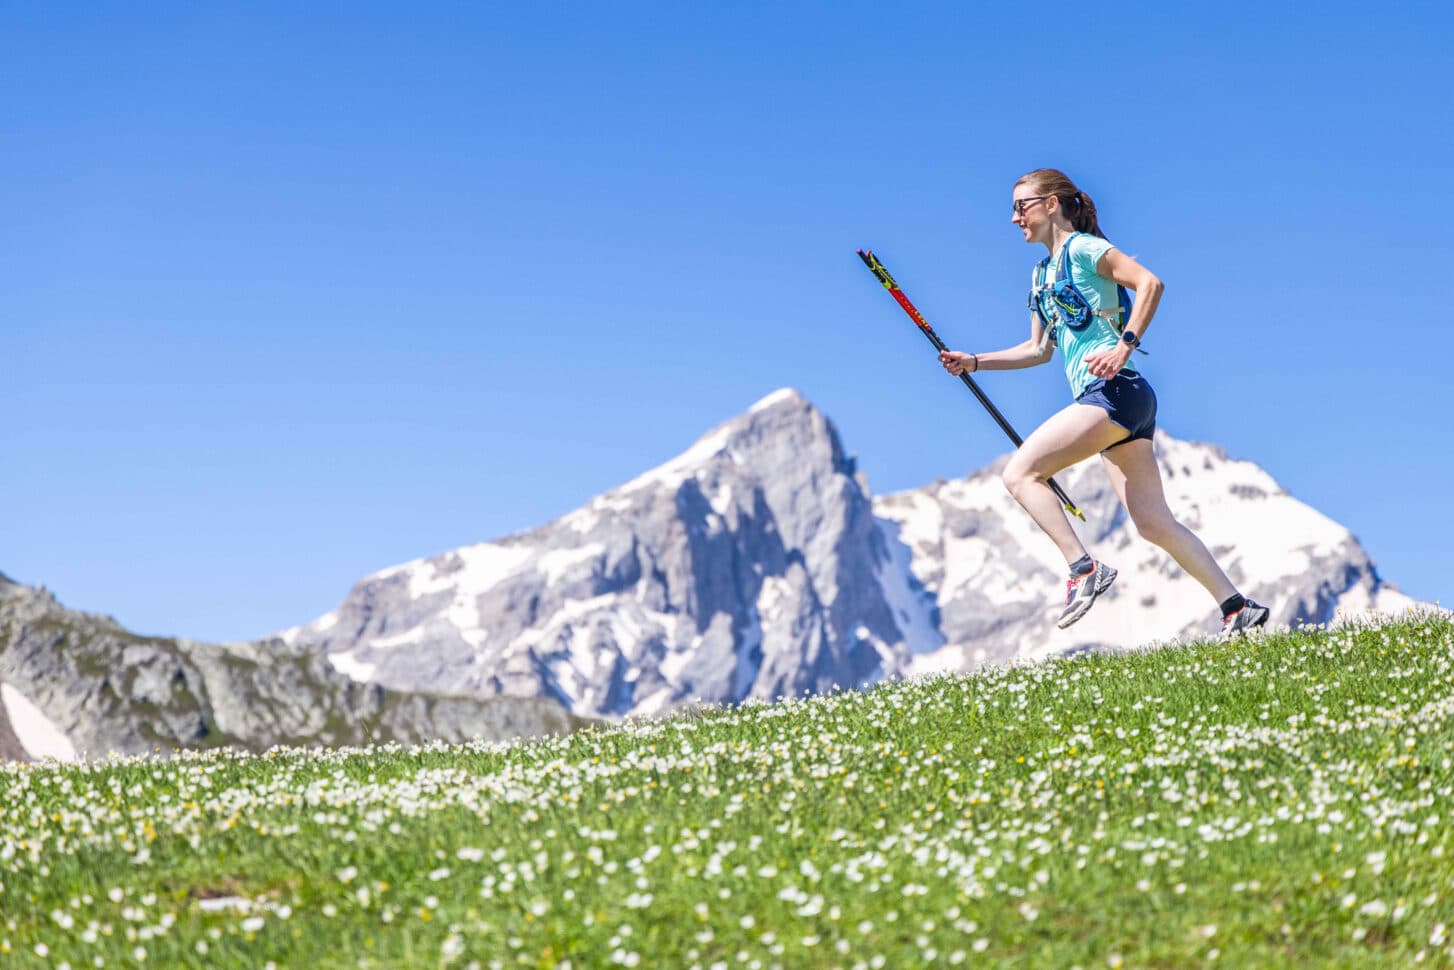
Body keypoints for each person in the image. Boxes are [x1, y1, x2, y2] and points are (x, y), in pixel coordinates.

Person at [937, 168, 1270, 641]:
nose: (1015, 218)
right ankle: (1238, 608)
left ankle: (1083, 567)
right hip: (1122, 402)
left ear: (1052, 204)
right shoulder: (1039, 276)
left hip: (1116, 392)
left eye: (1022, 206)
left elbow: (1150, 284)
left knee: (1020, 474)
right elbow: (1038, 350)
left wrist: (1123, 346)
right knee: (1154, 524)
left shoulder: (1085, 250)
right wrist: (974, 361)